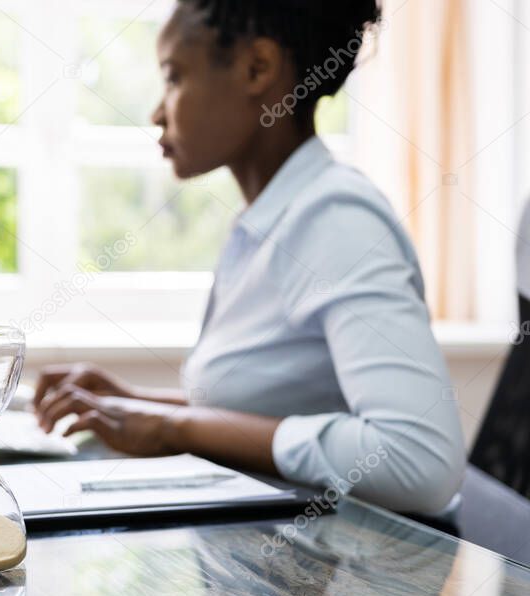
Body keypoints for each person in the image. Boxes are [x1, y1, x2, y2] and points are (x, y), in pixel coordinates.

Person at [33, 0, 466, 516]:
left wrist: (176, 426)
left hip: (364, 581)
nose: (156, 111)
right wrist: (136, 403)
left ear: (256, 69)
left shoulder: (335, 218)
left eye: (173, 77)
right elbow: (267, 415)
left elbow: (418, 463)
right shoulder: (270, 218)